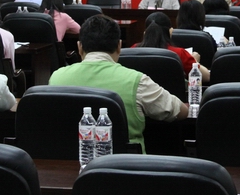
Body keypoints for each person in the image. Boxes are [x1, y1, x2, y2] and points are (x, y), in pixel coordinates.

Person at [49, 15, 188, 152]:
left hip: (67, 162)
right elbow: (179, 111)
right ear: (119, 46)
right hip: (126, 164)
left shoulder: (56, 78)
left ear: (79, 47)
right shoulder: (136, 81)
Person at [133, 11, 211, 83]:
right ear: (170, 31)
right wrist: (195, 61)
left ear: (145, 33)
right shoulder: (179, 54)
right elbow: (207, 77)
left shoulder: (133, 50)